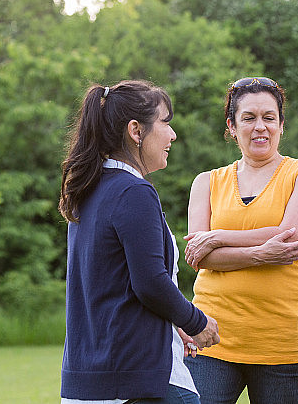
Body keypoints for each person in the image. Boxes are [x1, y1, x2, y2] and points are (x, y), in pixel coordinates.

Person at [59, 80, 220, 404]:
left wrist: (173, 325)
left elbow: (114, 288)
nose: (172, 135)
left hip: (88, 382)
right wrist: (196, 321)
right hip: (138, 380)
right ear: (136, 130)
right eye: (165, 122)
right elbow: (149, 283)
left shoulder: (89, 190)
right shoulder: (134, 192)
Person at [182, 76, 298, 404]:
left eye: (269, 117)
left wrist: (218, 237)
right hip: (211, 336)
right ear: (232, 127)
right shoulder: (206, 182)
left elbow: (289, 239)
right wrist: (261, 254)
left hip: (283, 343)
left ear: (281, 125)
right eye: (248, 118)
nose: (260, 126)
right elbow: (199, 256)